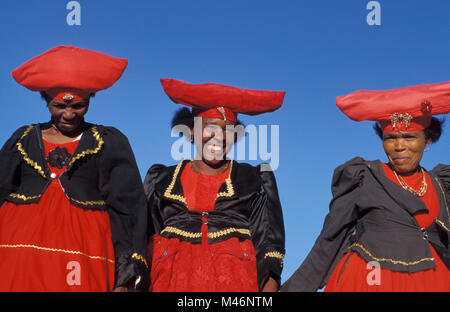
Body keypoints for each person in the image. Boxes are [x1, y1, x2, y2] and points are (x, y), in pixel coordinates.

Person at [0, 46, 148, 291]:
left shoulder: (108, 141)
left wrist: (127, 275)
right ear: (46, 100)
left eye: (78, 106)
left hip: (84, 254)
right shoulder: (23, 138)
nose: (68, 114)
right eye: (59, 106)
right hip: (16, 256)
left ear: (89, 100)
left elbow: (128, 208)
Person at [281, 81, 450, 292]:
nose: (399, 146)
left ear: (427, 141)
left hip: (434, 281)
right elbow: (330, 241)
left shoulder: (442, 183)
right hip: (370, 281)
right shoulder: (363, 177)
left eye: (409, 137)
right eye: (390, 138)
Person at [144, 78, 286, 292]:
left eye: (227, 130)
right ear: (191, 131)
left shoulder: (254, 180)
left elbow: (269, 246)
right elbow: (143, 242)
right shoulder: (162, 180)